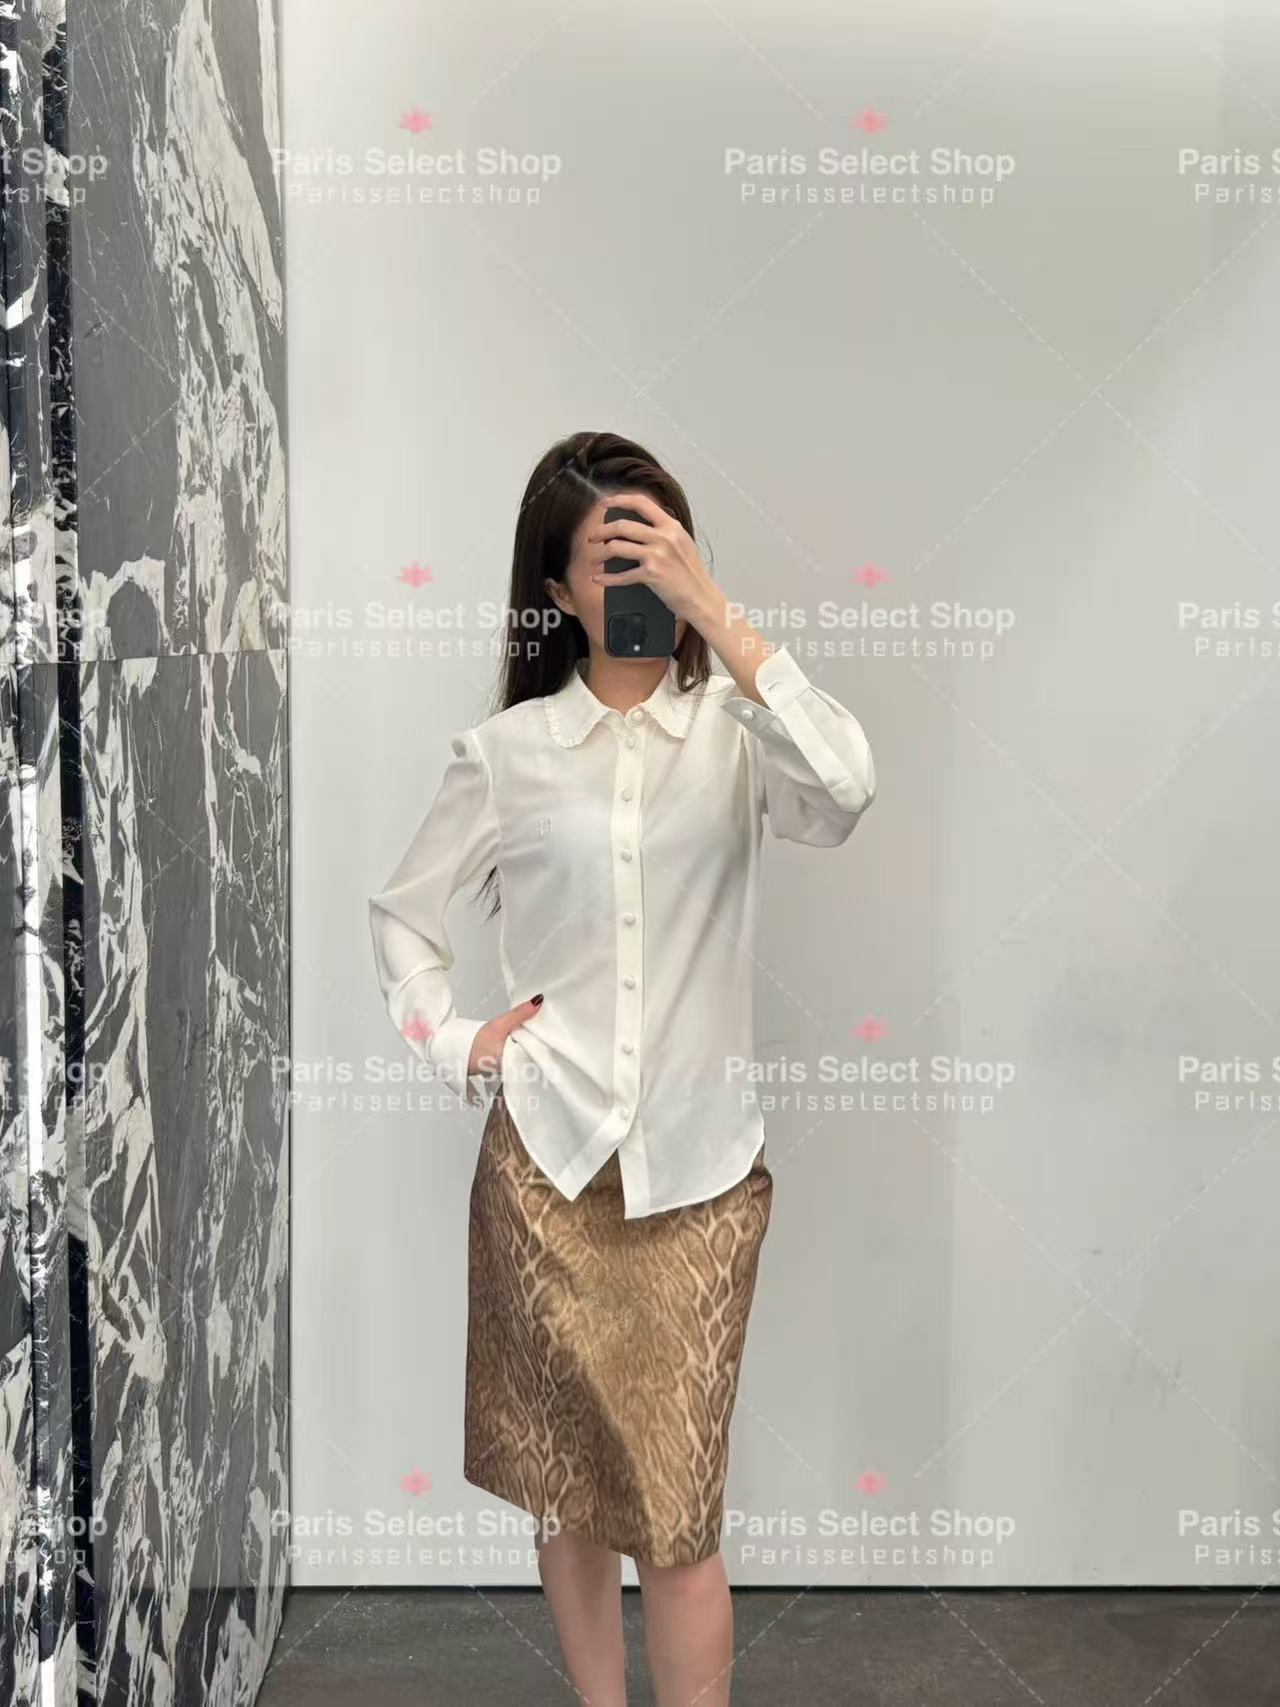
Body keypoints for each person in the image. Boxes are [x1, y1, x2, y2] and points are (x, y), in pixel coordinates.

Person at [368, 430, 877, 1705]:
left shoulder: (738, 737)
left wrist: (721, 615)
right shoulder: (507, 754)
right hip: (545, 1173)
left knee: (679, 1515)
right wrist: (456, 1039)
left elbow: (847, 788)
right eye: (612, 558)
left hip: (698, 1180)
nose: (640, 577)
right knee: (569, 1489)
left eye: (661, 548)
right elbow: (401, 917)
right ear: (558, 592)